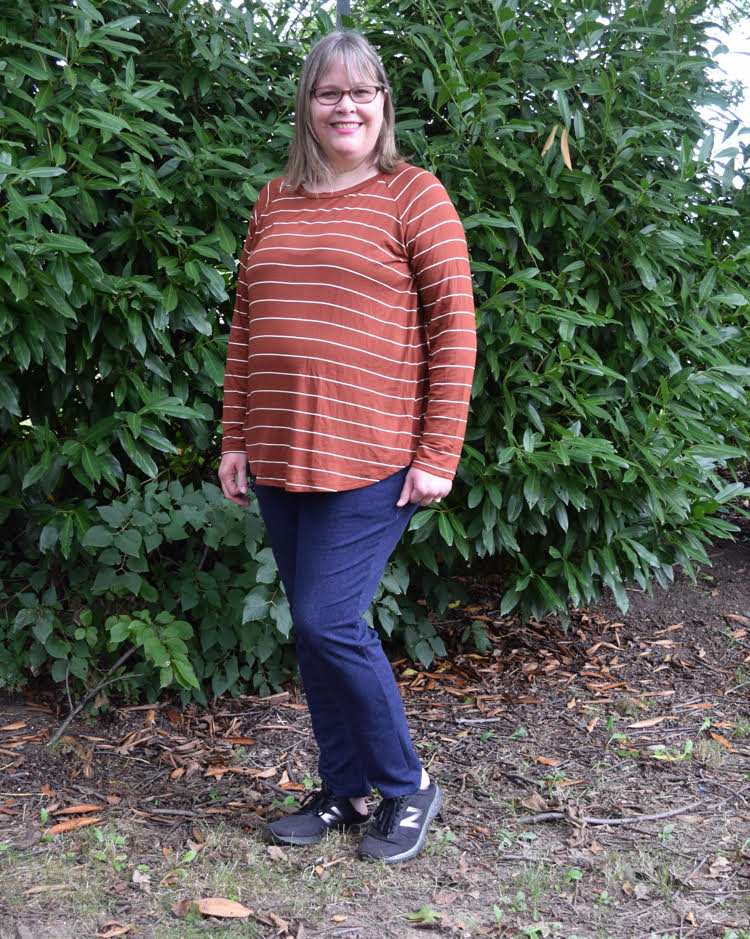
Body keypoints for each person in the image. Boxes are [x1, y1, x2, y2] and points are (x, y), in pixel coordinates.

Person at [218, 29, 476, 863]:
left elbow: (455, 326)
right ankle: (344, 788)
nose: (347, 106)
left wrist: (439, 450)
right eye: (330, 93)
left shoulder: (414, 195)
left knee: (331, 619)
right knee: (309, 626)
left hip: (373, 452)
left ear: (383, 105)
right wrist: (235, 435)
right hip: (281, 450)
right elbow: (247, 325)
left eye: (363, 91)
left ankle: (407, 786)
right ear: (307, 106)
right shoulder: (274, 199)